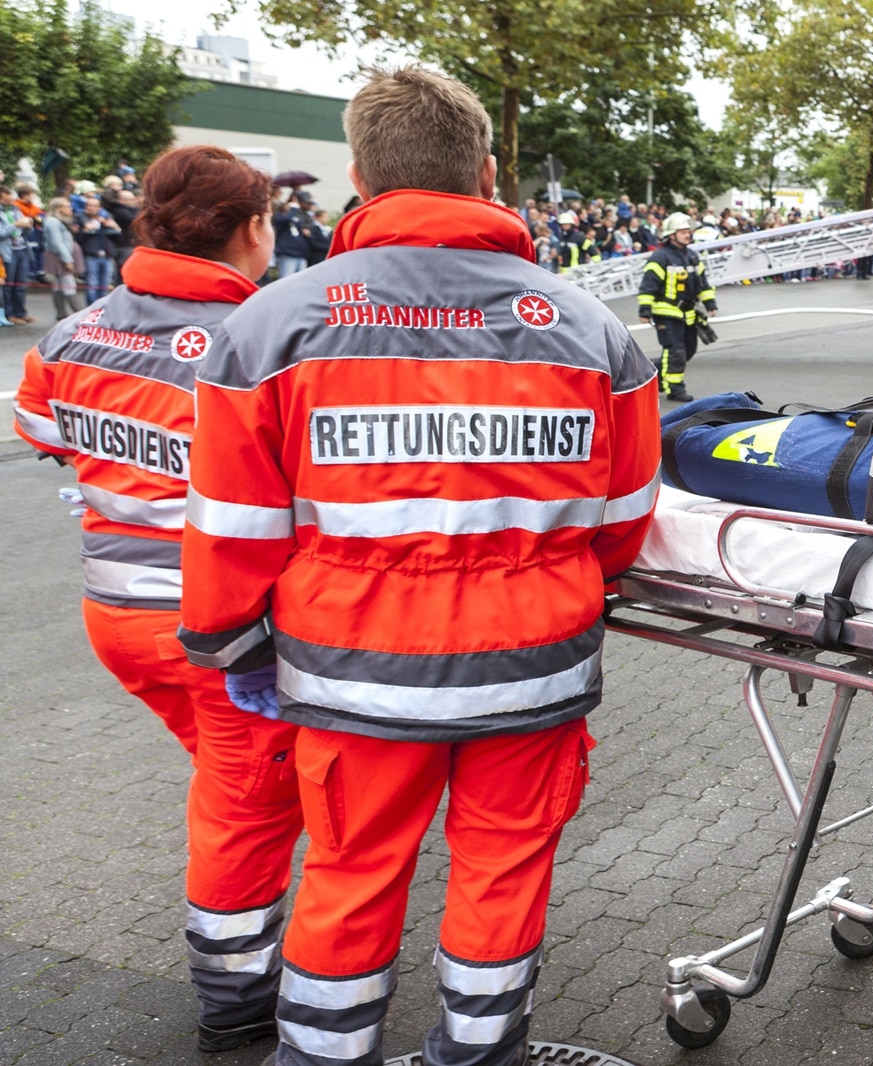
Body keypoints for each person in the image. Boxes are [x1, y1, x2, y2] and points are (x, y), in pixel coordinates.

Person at [176, 65, 660, 1066]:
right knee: (501, 875)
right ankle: (479, 1054)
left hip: (349, 674)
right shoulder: (591, 330)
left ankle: (320, 1055)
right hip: (534, 669)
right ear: (487, 173)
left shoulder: (269, 327)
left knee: (349, 873)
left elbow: (232, 527)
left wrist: (229, 646)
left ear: (360, 176)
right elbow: (622, 521)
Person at [10, 145, 304, 1055]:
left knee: (231, 778)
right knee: (246, 801)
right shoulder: (259, 337)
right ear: (253, 229)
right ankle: (235, 992)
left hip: (116, 617)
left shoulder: (76, 330)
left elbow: (42, 432)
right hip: (216, 627)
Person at [637, 211, 716, 402]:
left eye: (688, 231)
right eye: (683, 232)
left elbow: (703, 283)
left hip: (688, 312)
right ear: (671, 235)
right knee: (676, 351)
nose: (688, 234)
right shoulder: (660, 257)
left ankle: (653, 377)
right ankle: (675, 389)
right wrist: (645, 309)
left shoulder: (692, 256)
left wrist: (710, 303)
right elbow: (649, 284)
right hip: (666, 312)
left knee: (688, 349)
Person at [40, 197, 82, 320]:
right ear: (58, 208)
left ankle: (61, 313)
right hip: (60, 257)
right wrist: (67, 259)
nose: (70, 209)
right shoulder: (53, 222)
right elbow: (57, 243)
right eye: (67, 206)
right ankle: (80, 314)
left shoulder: (60, 221)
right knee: (69, 284)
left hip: (61, 256)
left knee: (59, 285)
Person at [75, 194, 120, 303]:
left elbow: (118, 237)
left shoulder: (107, 217)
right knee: (92, 284)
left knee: (105, 284)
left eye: (94, 206)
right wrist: (87, 230)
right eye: (89, 205)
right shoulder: (80, 218)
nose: (91, 208)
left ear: (100, 208)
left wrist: (115, 227)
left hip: (107, 255)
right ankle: (91, 309)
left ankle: (101, 309)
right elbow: (79, 238)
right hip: (91, 255)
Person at [0, 186, 35, 323]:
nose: (11, 202)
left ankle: (22, 313)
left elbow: (26, 231)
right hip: (8, 252)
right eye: (8, 200)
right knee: (9, 286)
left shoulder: (15, 209)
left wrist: (28, 225)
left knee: (21, 284)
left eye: (12, 199)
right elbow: (1, 233)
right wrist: (16, 224)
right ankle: (10, 315)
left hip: (22, 249)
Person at [271, 191, 315, 276]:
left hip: (302, 254)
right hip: (288, 253)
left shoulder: (306, 216)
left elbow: (311, 230)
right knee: (286, 279)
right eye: (307, 203)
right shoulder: (287, 214)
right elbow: (282, 220)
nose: (309, 205)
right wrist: (293, 208)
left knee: (301, 281)